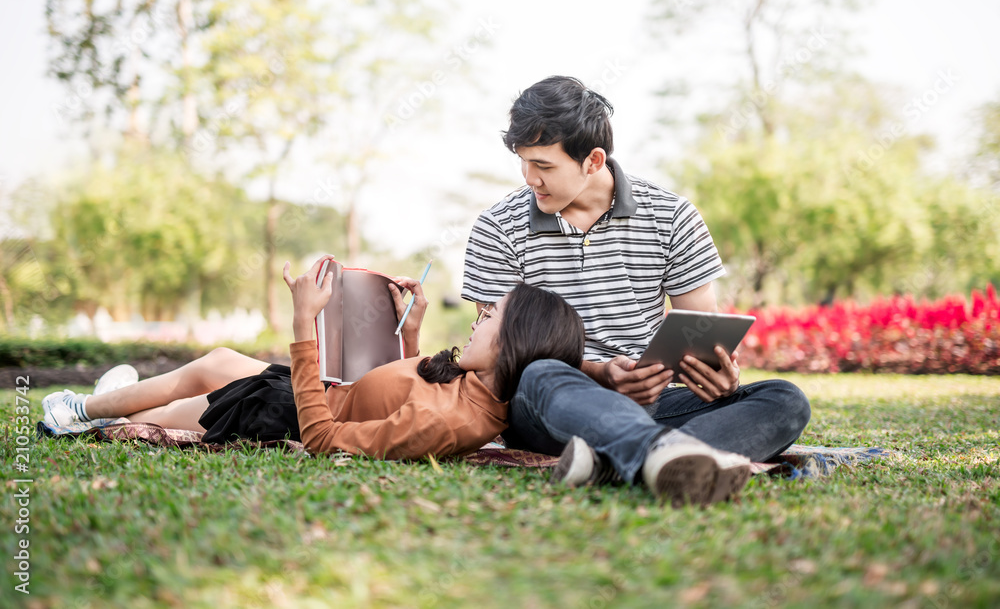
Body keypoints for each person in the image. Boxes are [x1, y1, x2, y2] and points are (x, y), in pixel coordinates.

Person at [461, 76, 812, 505]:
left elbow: (701, 334)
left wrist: (717, 376)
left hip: (653, 398)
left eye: (545, 166)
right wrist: (600, 372)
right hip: (551, 407)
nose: (530, 178)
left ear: (593, 160)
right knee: (538, 374)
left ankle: (609, 462)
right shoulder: (498, 228)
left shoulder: (672, 216)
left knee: (784, 399)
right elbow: (498, 359)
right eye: (524, 162)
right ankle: (662, 453)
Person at [42, 256, 586, 461]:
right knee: (213, 361)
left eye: (490, 317)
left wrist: (303, 325)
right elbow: (409, 393)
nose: (477, 317)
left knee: (154, 416)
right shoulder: (473, 394)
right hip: (317, 395)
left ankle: (86, 412)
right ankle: (96, 404)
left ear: (514, 343)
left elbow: (323, 440)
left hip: (294, 413)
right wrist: (411, 334)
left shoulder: (452, 421)